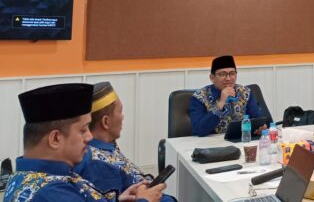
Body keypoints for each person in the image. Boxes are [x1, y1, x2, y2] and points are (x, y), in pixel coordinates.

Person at [4, 83, 164, 202]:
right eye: (83, 130)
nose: (89, 137)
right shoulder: (51, 193)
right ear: (55, 139)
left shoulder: (34, 177)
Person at [74, 82, 176, 202]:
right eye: (120, 111)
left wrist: (145, 182)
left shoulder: (107, 145)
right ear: (106, 122)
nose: (122, 117)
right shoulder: (97, 164)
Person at [189, 55, 268, 136]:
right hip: (210, 142)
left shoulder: (245, 93)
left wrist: (260, 127)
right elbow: (199, 130)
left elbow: (257, 119)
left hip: (240, 139)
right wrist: (220, 103)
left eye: (232, 73)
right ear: (212, 77)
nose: (228, 78)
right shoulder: (200, 97)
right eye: (223, 74)